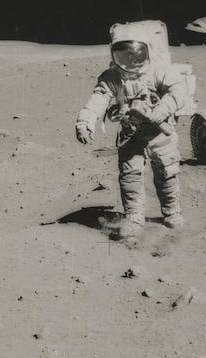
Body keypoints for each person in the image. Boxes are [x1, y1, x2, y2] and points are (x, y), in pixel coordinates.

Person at [74, 21, 194, 240]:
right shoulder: (113, 78)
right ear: (115, 54)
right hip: (131, 136)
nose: (131, 60)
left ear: (146, 51)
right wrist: (85, 121)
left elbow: (178, 92)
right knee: (130, 177)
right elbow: (98, 99)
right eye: (123, 54)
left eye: (136, 53)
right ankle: (134, 218)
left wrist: (159, 112)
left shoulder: (159, 71)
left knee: (167, 174)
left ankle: (172, 213)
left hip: (160, 133)